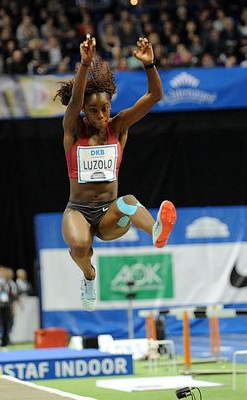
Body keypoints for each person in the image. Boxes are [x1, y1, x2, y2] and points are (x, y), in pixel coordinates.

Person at [54, 35, 177, 312]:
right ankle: (89, 277)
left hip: (110, 213)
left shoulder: (119, 126)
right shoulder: (74, 130)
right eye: (93, 110)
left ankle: (156, 230)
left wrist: (149, 65)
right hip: (79, 210)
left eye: (105, 108)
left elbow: (155, 96)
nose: (100, 115)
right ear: (84, 111)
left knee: (128, 201)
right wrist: (84, 65)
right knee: (79, 247)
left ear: (111, 106)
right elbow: (74, 99)